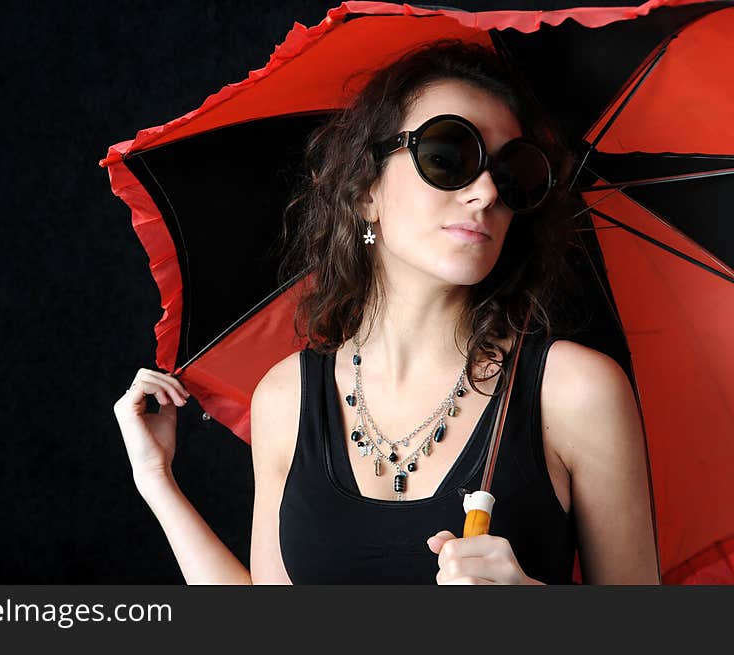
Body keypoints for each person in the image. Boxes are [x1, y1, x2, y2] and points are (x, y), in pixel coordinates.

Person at [113, 40, 660, 585]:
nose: (488, 191)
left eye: (513, 172)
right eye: (448, 156)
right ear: (365, 190)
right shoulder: (287, 398)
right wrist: (156, 479)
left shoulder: (575, 391)